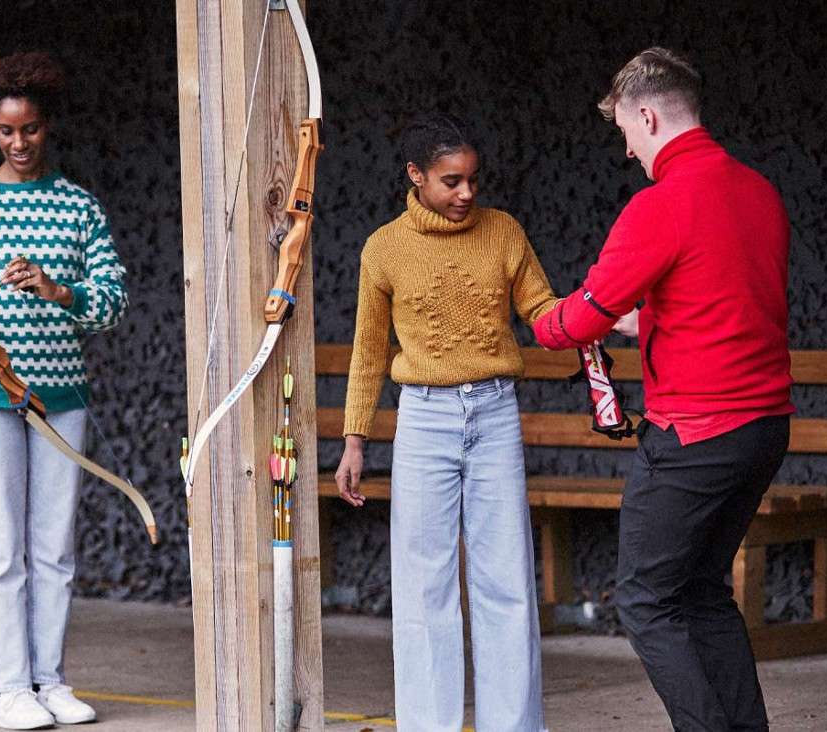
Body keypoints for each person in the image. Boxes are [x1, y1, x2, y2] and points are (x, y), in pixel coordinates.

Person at [533, 47, 793, 731]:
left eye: (625, 132)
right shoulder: (759, 192)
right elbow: (730, 299)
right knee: (703, 592)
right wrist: (648, 320)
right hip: (764, 428)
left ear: (647, 114)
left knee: (647, 601)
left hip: (695, 437)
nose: (627, 151)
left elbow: (578, 318)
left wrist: (543, 318)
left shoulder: (661, 204)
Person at [335, 112, 557, 731]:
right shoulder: (383, 248)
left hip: (494, 411)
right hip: (423, 422)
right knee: (423, 588)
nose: (466, 194)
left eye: (473, 181)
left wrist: (591, 317)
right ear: (416, 176)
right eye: (451, 181)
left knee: (506, 581)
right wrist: (355, 441)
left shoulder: (504, 232)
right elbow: (368, 350)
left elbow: (541, 308)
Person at [0, 51, 128, 730]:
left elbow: (111, 302)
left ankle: (49, 680)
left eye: (31, 131)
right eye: (6, 132)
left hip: (59, 394)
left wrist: (54, 288)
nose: (18, 144)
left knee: (54, 547)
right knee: (2, 546)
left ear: (50, 127)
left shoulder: (79, 207)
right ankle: (6, 689)